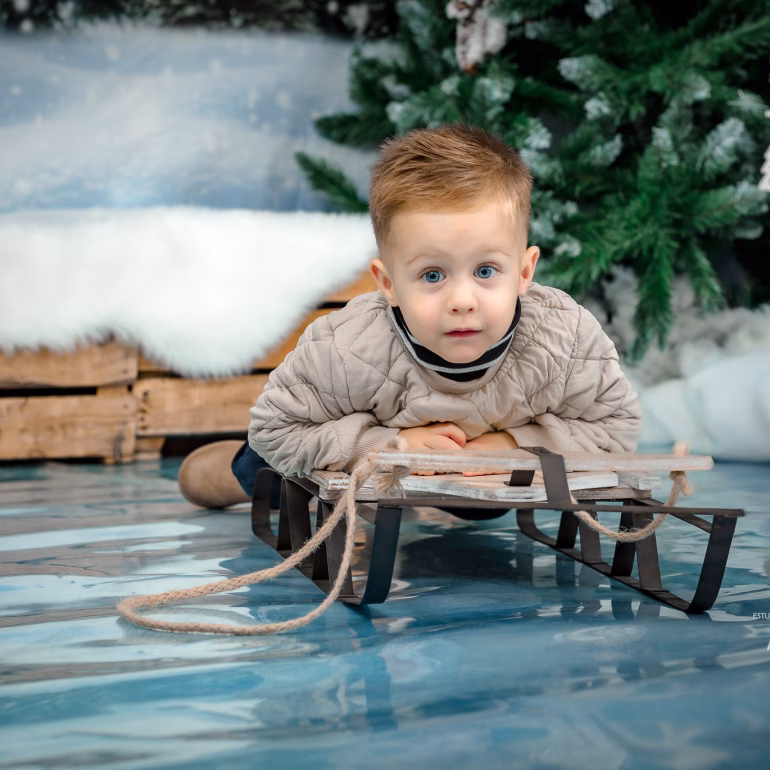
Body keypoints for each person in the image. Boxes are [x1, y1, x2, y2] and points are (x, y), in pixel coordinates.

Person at [177, 123, 641, 509]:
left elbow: (615, 429)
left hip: (476, 461)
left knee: (477, 498)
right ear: (388, 284)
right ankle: (230, 474)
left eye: (485, 271)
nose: (462, 300)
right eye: (433, 275)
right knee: (259, 474)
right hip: (350, 442)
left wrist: (515, 446)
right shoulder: (348, 346)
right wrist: (387, 447)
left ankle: (447, 495)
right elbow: (276, 428)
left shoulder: (564, 338)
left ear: (524, 272)